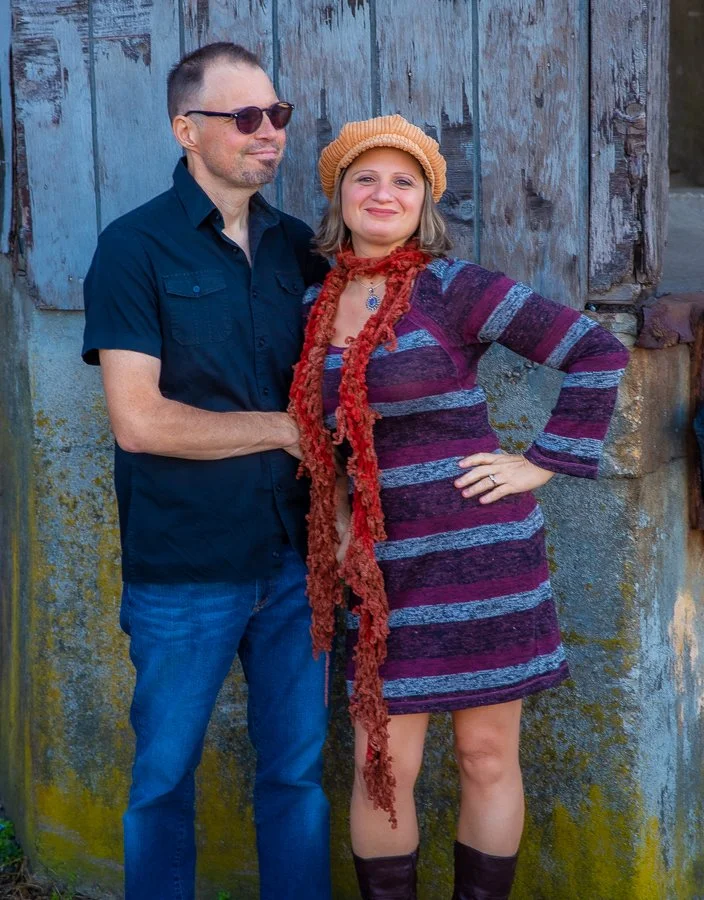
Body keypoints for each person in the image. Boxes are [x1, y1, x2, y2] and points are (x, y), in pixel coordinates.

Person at [289, 115, 630, 900]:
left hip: (484, 561)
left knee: (485, 755)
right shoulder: (310, 306)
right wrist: (339, 526)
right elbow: (322, 445)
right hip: (382, 573)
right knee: (384, 765)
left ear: (425, 203)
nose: (384, 193)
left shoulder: (455, 289)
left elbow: (595, 351)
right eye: (365, 178)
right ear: (339, 198)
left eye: (403, 181)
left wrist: (539, 462)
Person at [82, 42, 331, 900]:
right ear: (188, 129)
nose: (272, 135)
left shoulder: (300, 248)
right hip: (185, 567)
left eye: (280, 115)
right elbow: (139, 420)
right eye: (248, 118)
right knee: (161, 783)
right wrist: (283, 429)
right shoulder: (134, 248)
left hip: (297, 562)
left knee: (296, 778)